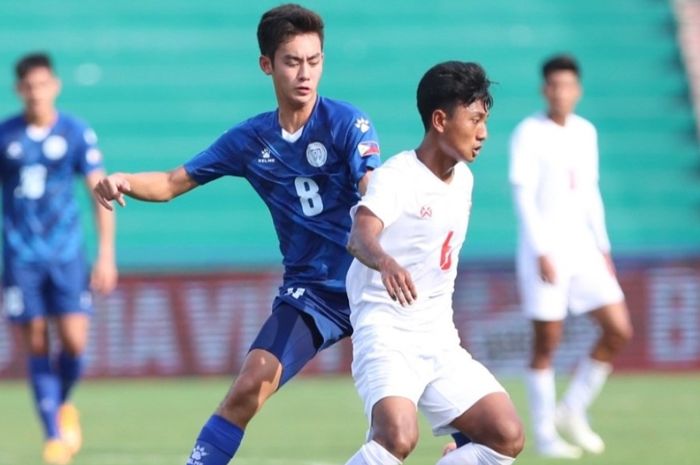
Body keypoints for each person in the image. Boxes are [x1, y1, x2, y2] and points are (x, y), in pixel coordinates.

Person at [92, 4, 381, 465]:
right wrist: (125, 178)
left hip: (373, 286)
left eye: (314, 60)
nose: (305, 73)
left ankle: (469, 447)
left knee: (425, 416)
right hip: (313, 296)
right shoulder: (252, 139)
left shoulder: (348, 123)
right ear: (267, 65)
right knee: (248, 388)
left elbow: (374, 192)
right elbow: (171, 183)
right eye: (292, 61)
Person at [343, 61, 524, 465]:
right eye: (475, 119)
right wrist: (386, 262)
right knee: (397, 437)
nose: (483, 133)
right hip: (387, 331)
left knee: (505, 437)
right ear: (440, 119)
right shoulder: (397, 177)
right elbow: (360, 236)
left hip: (439, 339)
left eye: (485, 120)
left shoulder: (464, 180)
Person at [508, 54, 633, 459]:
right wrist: (542, 249)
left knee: (618, 329)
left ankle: (572, 409)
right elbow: (523, 195)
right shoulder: (529, 133)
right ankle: (544, 435)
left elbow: (590, 193)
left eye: (568, 85)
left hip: (584, 250)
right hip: (544, 252)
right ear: (545, 89)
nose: (561, 92)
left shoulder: (585, 132)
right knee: (547, 343)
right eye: (554, 85)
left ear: (577, 90)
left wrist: (603, 245)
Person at [0, 52, 118, 465]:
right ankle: (53, 436)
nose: (36, 93)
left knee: (73, 342)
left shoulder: (74, 132)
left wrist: (105, 254)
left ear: (55, 86)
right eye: (28, 87)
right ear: (19, 90)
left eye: (42, 85)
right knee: (34, 344)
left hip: (66, 256)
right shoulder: (4, 136)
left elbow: (98, 193)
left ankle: (62, 404)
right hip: (20, 258)